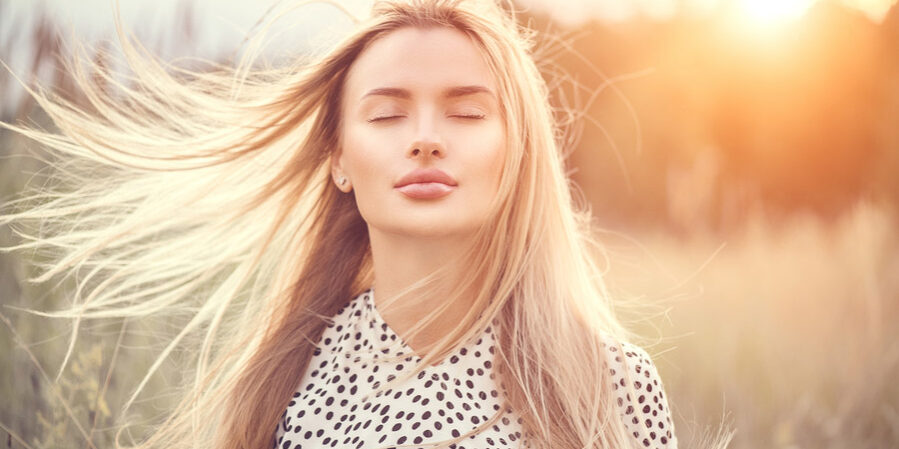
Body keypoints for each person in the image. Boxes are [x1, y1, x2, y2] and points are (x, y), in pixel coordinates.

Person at [0, 1, 713, 448]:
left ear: (517, 154)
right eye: (387, 113)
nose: (427, 138)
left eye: (466, 112)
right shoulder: (284, 382)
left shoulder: (605, 381)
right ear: (339, 158)